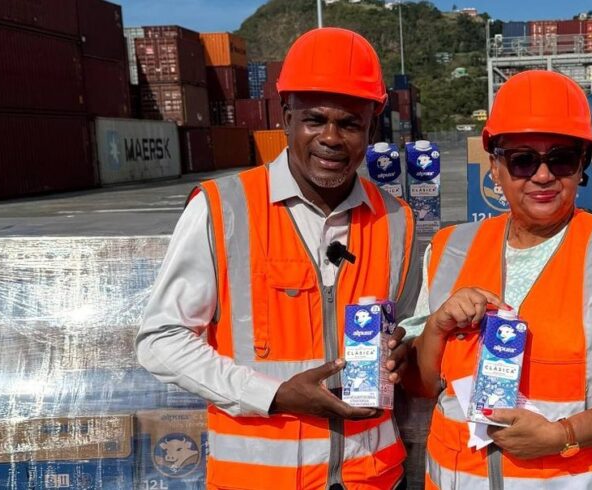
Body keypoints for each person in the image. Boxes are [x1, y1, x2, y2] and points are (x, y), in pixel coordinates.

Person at [137, 28, 419, 490]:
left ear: (371, 129)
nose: (331, 138)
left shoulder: (396, 218)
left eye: (350, 124)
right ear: (287, 118)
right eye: (314, 120)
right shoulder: (222, 209)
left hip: (373, 477)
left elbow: (408, 330)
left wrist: (403, 354)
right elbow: (161, 339)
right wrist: (273, 395)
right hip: (261, 479)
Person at [403, 70, 592, 489]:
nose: (543, 175)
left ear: (582, 166)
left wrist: (562, 436)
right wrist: (436, 326)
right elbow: (421, 384)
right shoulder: (450, 250)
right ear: (495, 167)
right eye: (523, 159)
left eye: (561, 158)